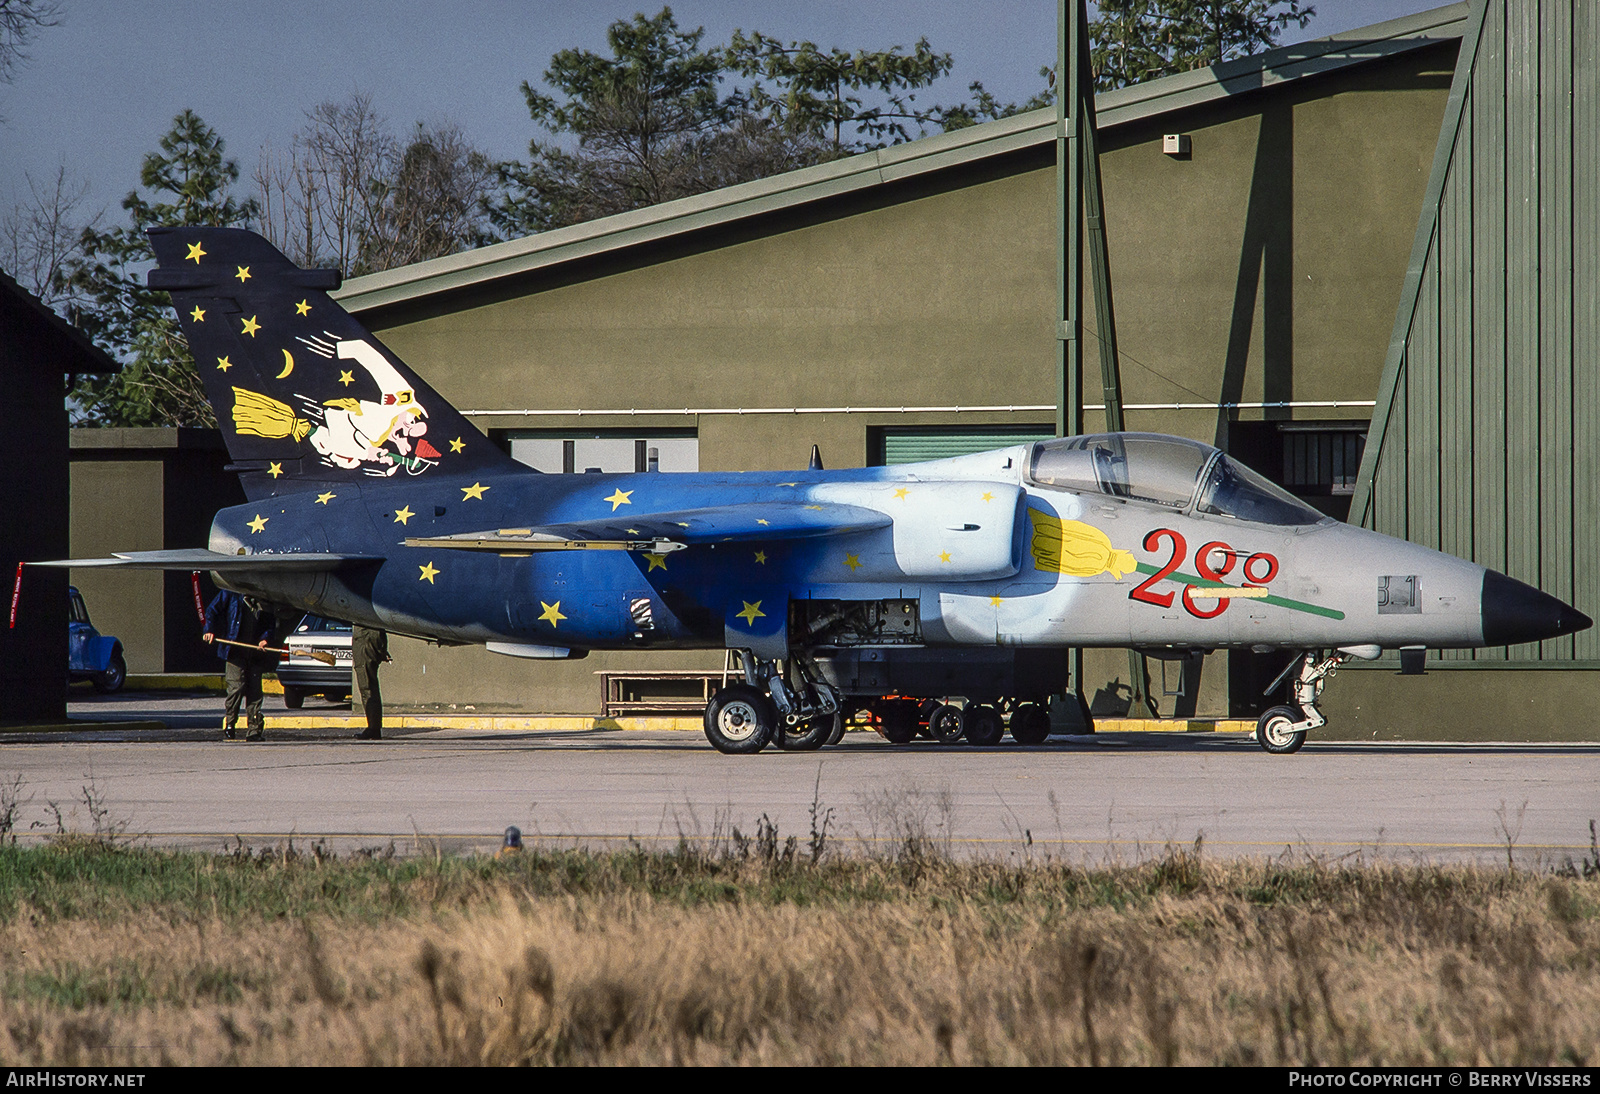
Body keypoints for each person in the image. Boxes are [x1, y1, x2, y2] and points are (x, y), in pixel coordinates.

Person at [203, 589, 276, 741]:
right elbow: (211, 611)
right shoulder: (230, 593)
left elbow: (270, 622)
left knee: (255, 692)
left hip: (254, 652)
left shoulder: (264, 596)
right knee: (237, 687)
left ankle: (254, 730)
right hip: (234, 652)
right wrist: (209, 629)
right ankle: (230, 723)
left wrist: (265, 638)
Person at [352, 624, 390, 740]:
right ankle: (374, 727)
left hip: (365, 640)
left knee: (367, 686)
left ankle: (373, 728)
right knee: (369, 685)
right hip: (368, 638)